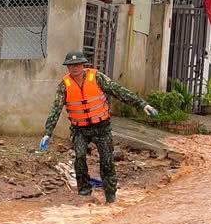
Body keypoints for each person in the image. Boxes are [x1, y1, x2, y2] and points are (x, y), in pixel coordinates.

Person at [39, 50, 157, 205]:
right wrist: (48, 132)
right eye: (71, 65)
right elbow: (56, 109)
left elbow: (118, 91)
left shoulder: (97, 78)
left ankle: (110, 194)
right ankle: (84, 190)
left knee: (107, 160)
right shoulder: (64, 86)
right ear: (67, 67)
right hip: (80, 129)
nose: (75, 68)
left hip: (102, 127)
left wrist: (142, 104)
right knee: (80, 156)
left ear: (83, 65)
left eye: (78, 64)